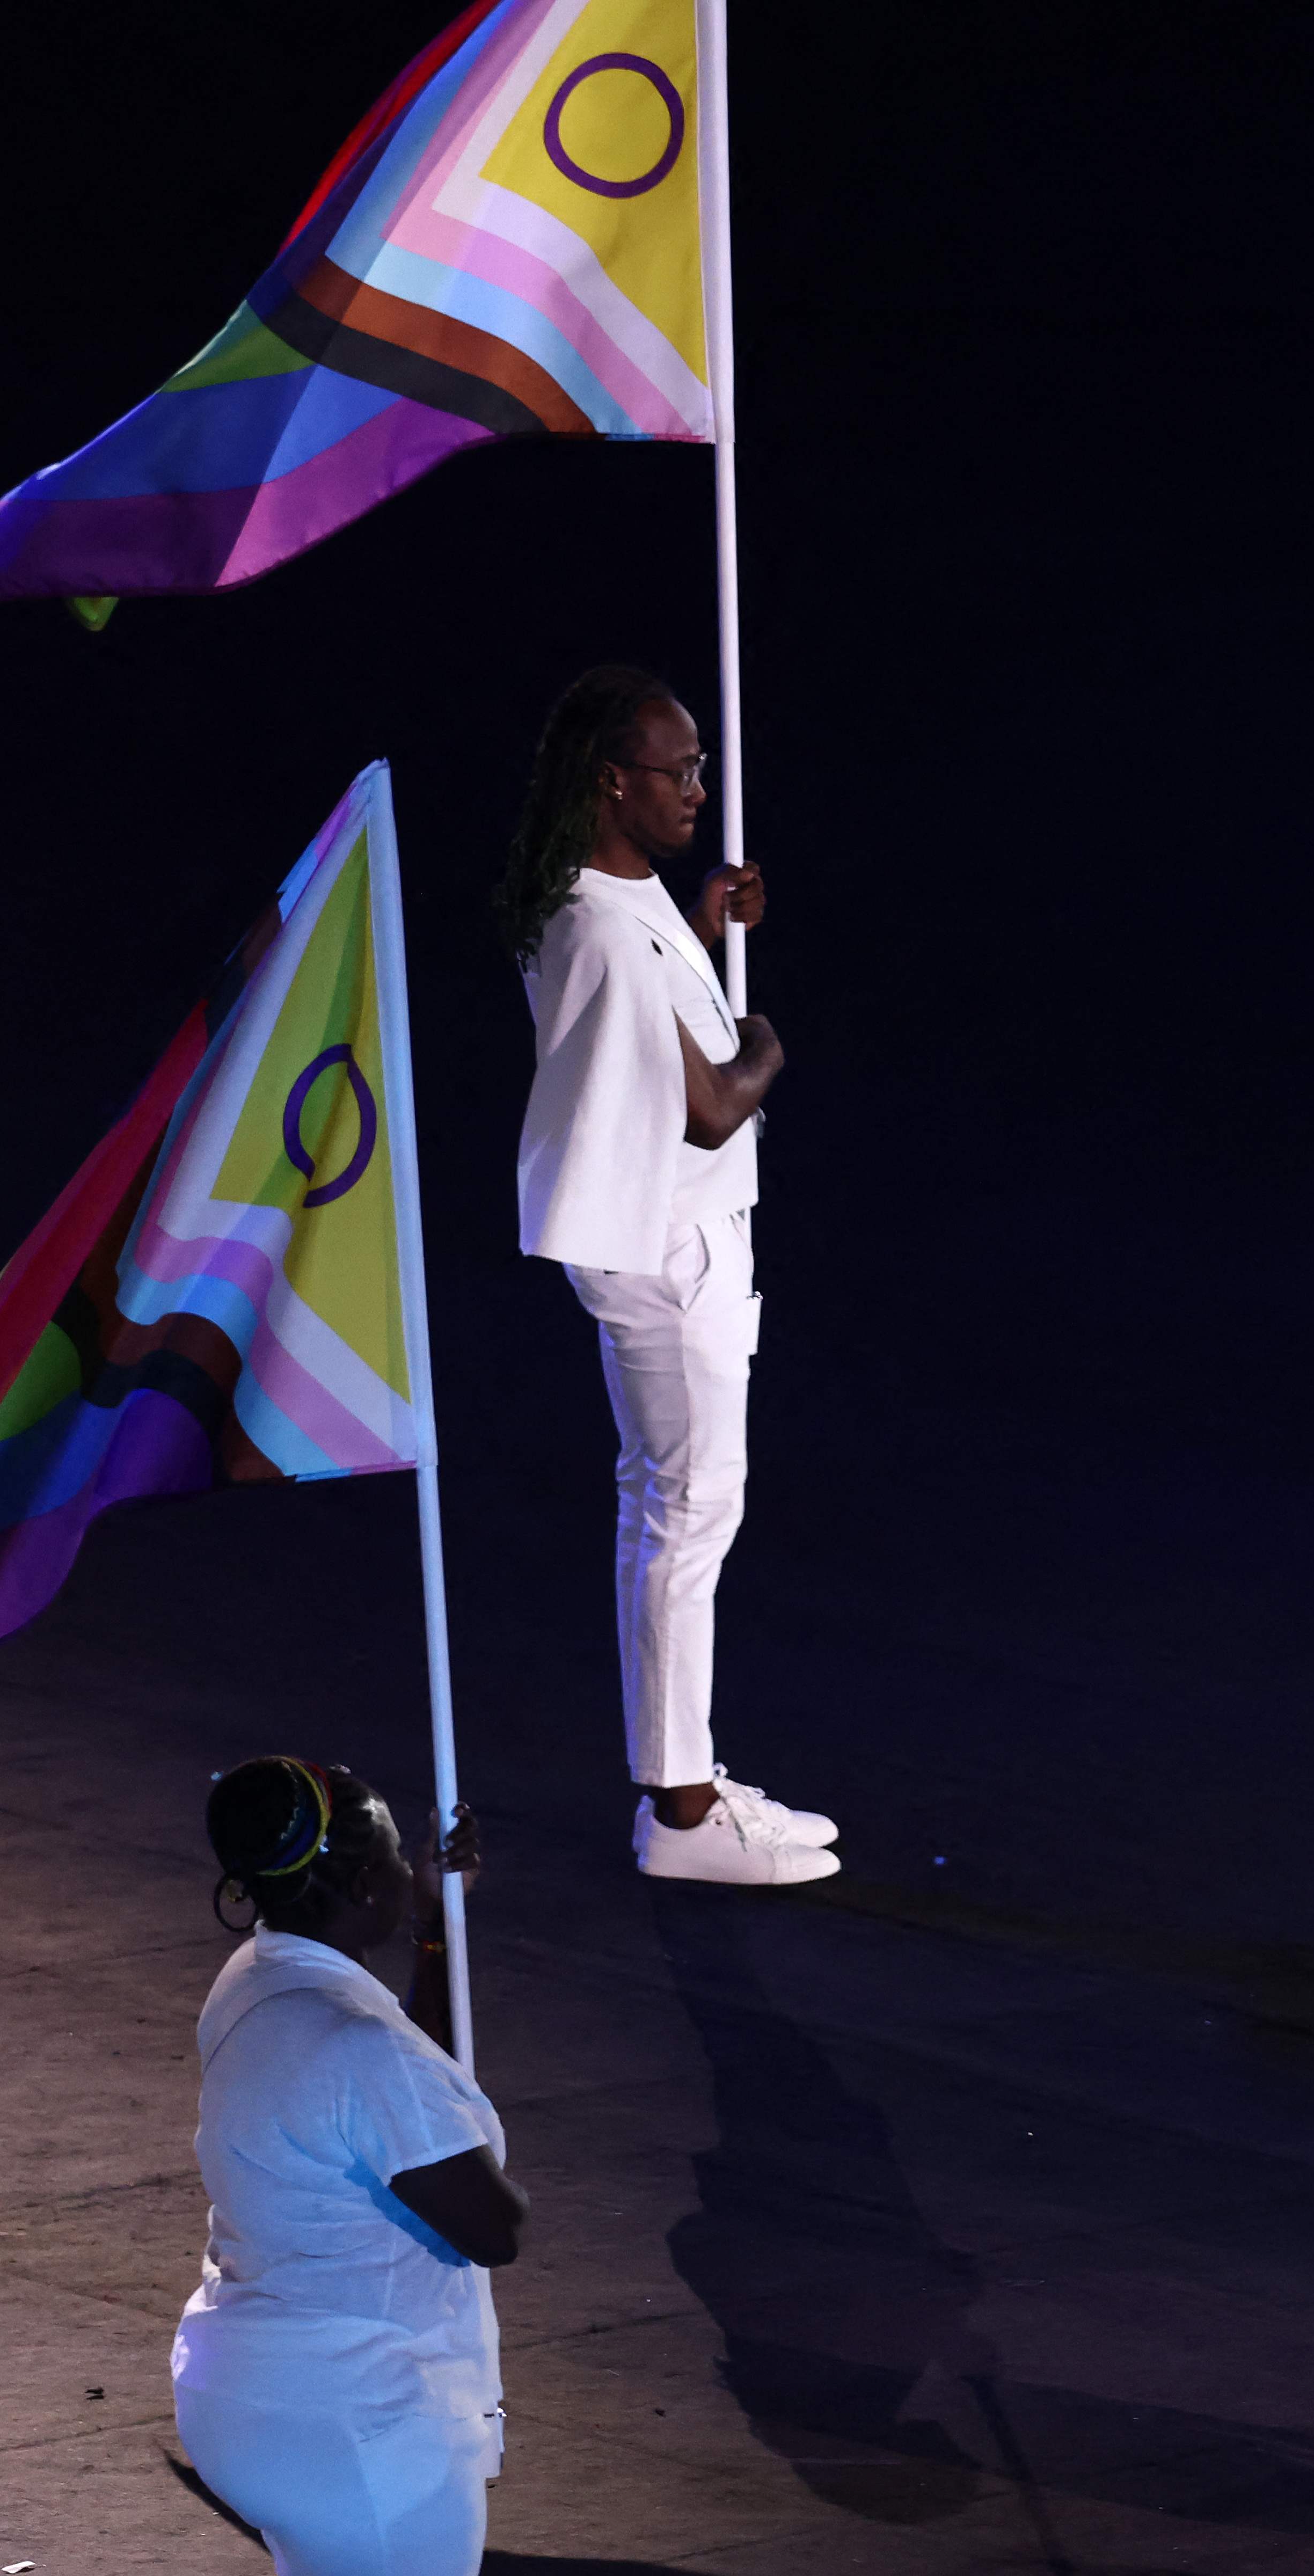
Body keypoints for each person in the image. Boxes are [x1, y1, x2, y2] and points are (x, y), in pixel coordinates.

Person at [501, 664, 840, 1887]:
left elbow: (645, 1001)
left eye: (699, 763)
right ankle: (682, 1810)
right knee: (687, 1513)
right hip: (667, 1240)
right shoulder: (599, 918)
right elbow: (707, 1108)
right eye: (678, 769)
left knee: (676, 1506)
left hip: (655, 1233)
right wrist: (764, 1049)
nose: (701, 787)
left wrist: (705, 932)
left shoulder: (597, 891)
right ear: (613, 780)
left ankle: (685, 1775)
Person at [172, 1758, 522, 2576]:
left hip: (260, 2395)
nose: (416, 1870)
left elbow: (412, 2092)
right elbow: (492, 2226)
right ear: (367, 1883)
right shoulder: (355, 2044)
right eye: (404, 1858)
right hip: (356, 2418)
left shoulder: (254, 1981)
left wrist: (439, 1932)